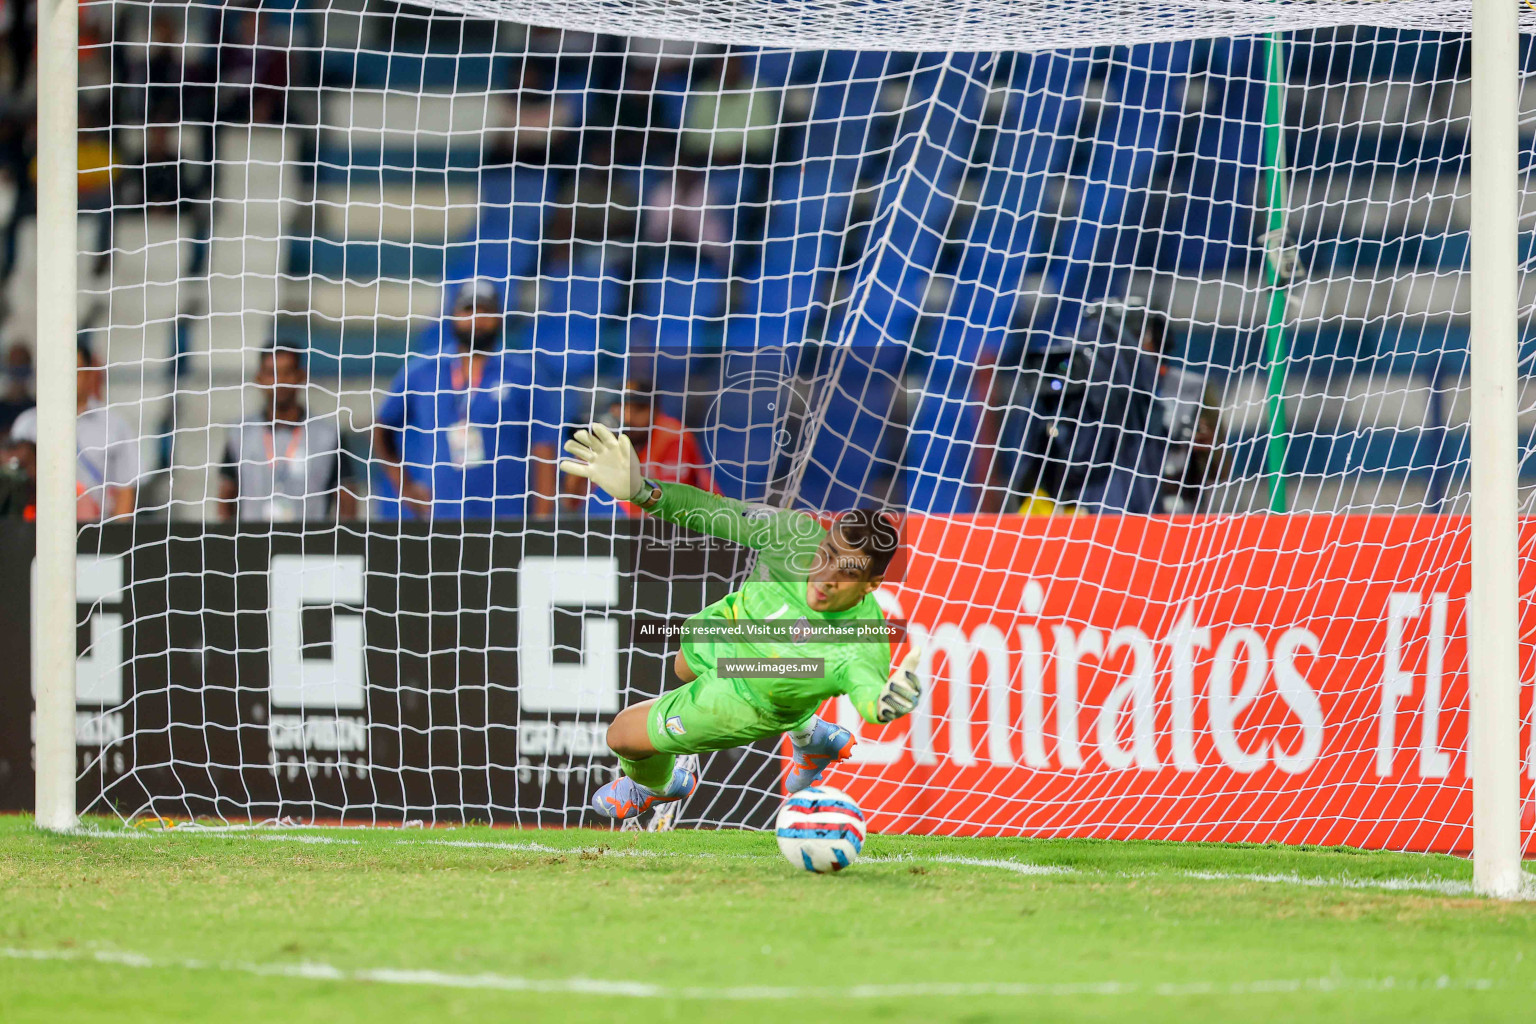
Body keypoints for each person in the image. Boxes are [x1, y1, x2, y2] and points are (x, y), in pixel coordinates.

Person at [561, 423, 924, 821]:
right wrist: (642, 492)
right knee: (682, 664)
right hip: (727, 628)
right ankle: (812, 735)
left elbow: (871, 696)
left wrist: (887, 704)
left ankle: (657, 786)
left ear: (871, 584)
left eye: (848, 573)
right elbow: (717, 513)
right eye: (829, 554)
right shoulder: (793, 534)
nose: (826, 576)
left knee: (622, 736)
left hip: (748, 698)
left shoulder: (858, 644)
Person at [374, 279, 564, 520]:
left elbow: (544, 449)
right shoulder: (421, 371)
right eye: (468, 310)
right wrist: (405, 487)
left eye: (485, 310)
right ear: (453, 315)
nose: (477, 318)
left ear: (499, 317)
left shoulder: (524, 374)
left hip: (507, 517)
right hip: (441, 518)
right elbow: (382, 427)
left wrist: (542, 522)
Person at [218, 345, 356, 522]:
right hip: (252, 543)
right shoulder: (240, 433)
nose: (279, 381)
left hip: (310, 544)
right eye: (271, 373)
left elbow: (346, 498)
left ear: (301, 376)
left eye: (287, 372)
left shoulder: (328, 435)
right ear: (259, 379)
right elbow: (227, 495)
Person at [9, 340, 140, 521]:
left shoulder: (115, 426)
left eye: (75, 370)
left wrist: (115, 539)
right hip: (39, 528)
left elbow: (125, 490)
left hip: (97, 530)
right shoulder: (27, 424)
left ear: (89, 374)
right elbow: (14, 485)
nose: (67, 377)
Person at [570, 376, 715, 514]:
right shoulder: (609, 438)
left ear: (656, 411)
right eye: (622, 407)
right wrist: (585, 460)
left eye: (638, 409)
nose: (628, 417)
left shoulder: (673, 438)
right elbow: (571, 502)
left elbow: (668, 506)